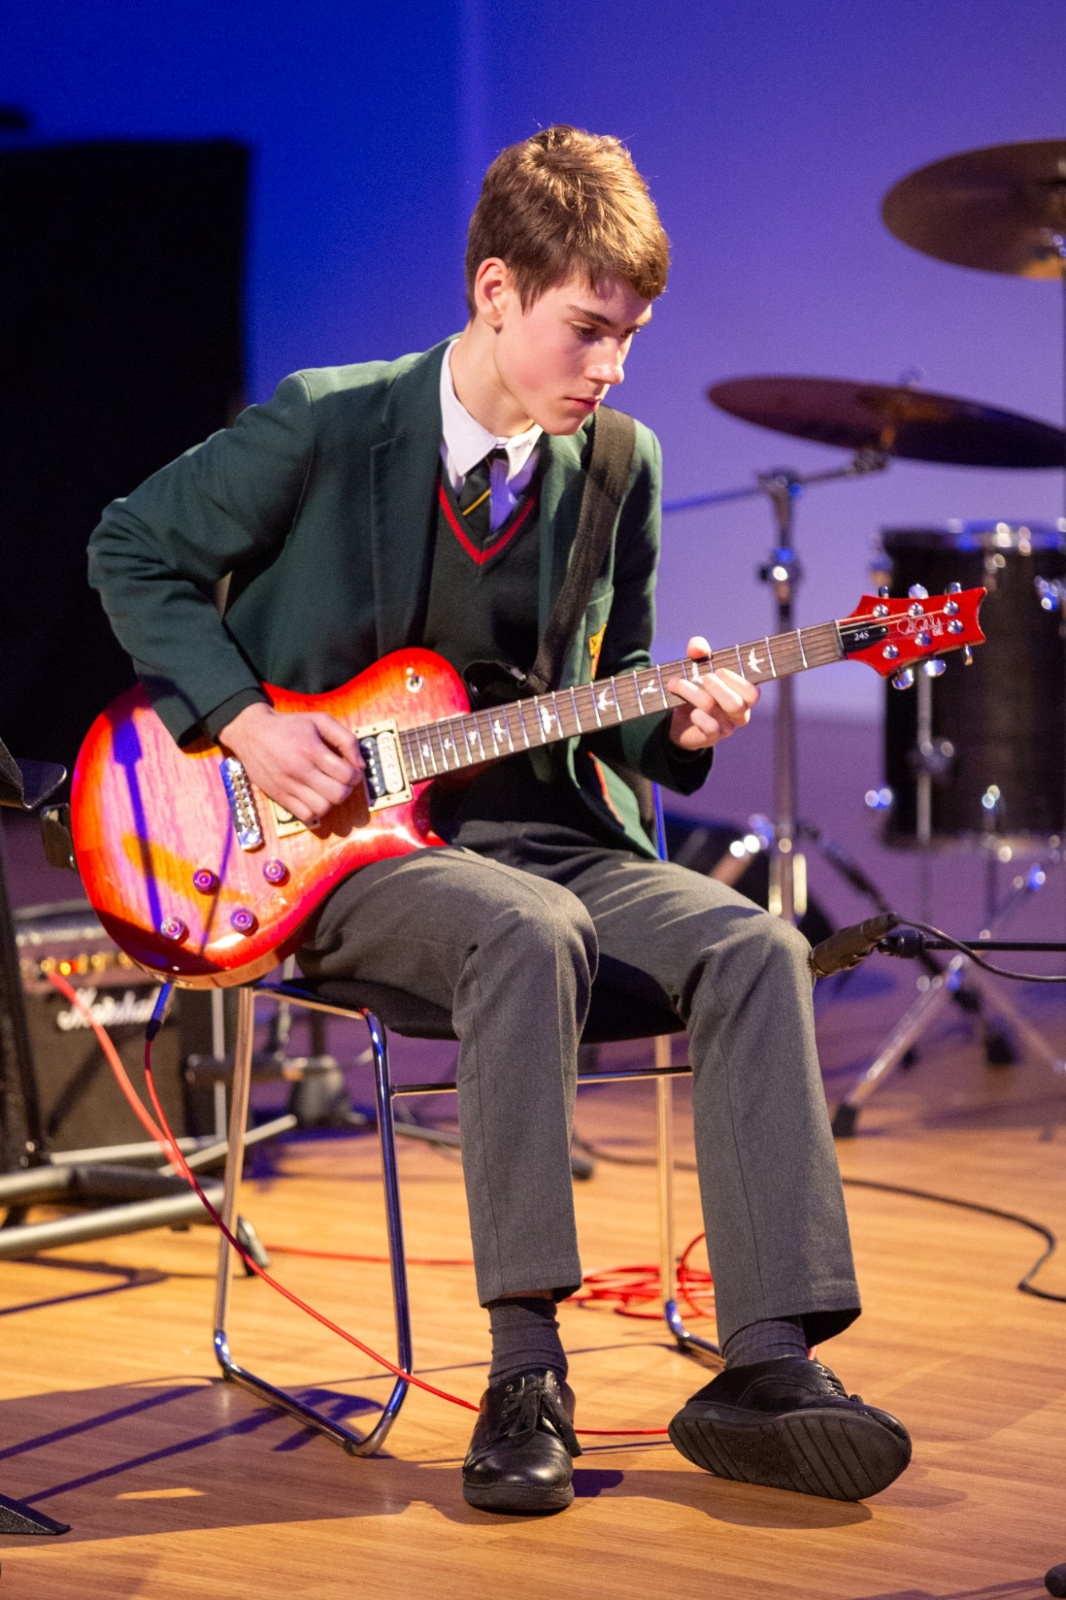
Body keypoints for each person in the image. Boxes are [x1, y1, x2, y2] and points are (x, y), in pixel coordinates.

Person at [88, 125, 911, 1515]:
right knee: (524, 932)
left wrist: (678, 723)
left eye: (630, 338)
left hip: (552, 840)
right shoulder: (329, 422)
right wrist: (246, 717)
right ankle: (525, 1373)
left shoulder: (620, 465)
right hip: (336, 859)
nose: (612, 367)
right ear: (494, 292)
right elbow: (130, 546)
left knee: (757, 943)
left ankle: (768, 1367)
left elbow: (609, 690)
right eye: (588, 329)